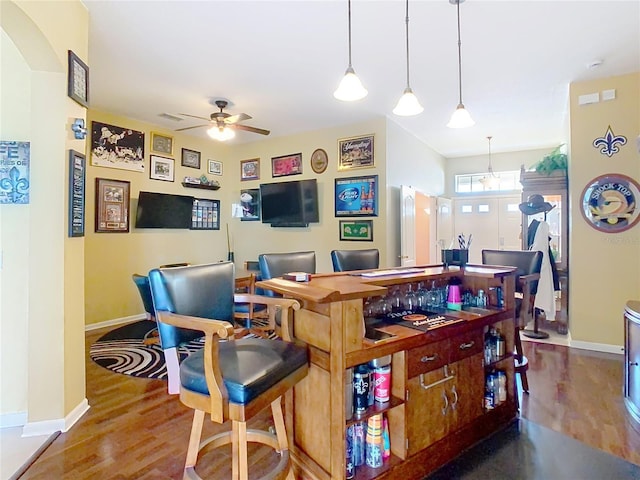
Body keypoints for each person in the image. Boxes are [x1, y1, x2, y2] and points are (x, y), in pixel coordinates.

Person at [519, 194, 559, 323]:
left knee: (541, 290)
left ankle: (538, 311)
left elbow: (540, 249)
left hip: (540, 263)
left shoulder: (541, 225)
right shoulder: (535, 225)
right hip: (536, 263)